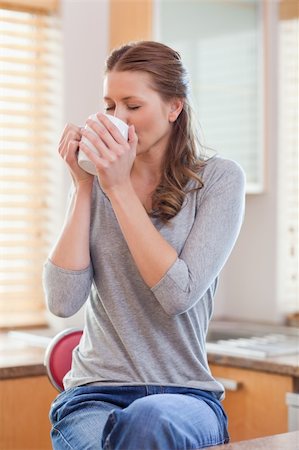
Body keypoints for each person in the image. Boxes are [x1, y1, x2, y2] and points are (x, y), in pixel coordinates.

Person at [43, 40, 245, 450]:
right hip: (94, 395)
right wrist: (85, 184)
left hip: (185, 395)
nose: (119, 119)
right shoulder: (99, 184)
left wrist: (117, 187)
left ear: (174, 108)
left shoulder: (218, 181)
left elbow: (178, 294)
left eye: (133, 106)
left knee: (147, 422)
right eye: (111, 106)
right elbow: (63, 301)